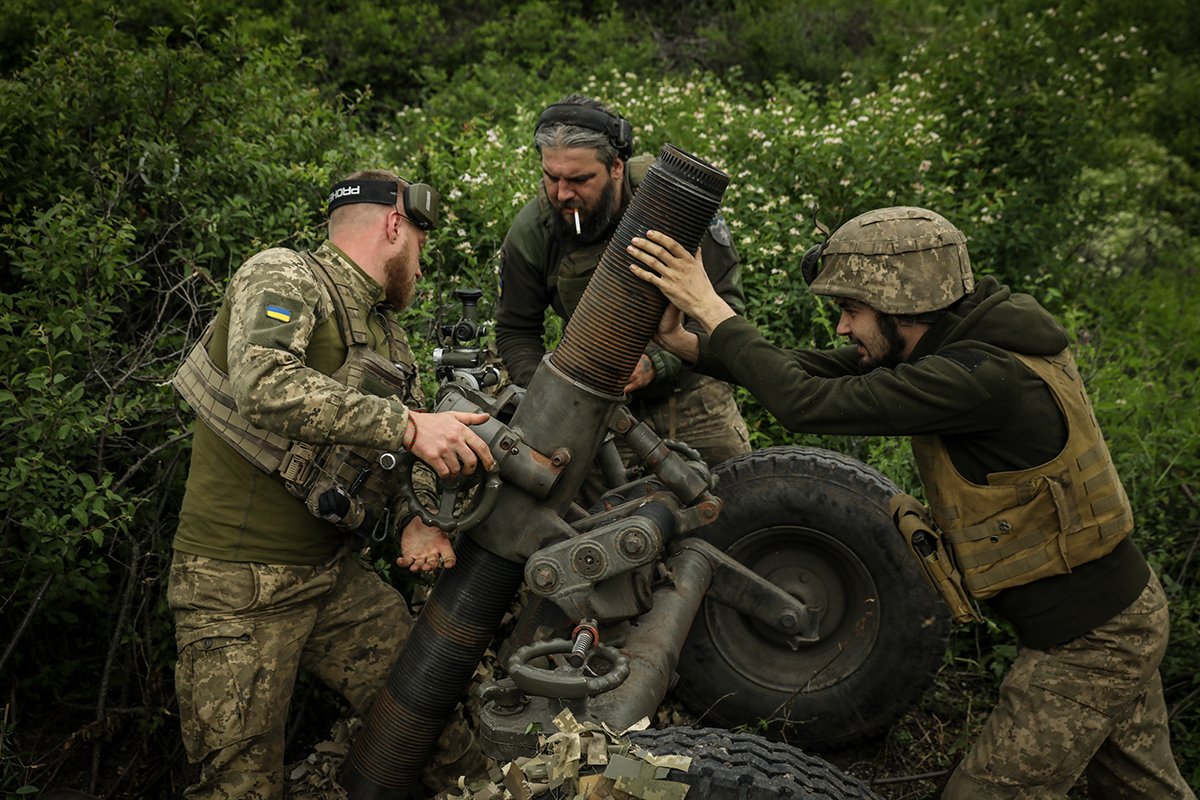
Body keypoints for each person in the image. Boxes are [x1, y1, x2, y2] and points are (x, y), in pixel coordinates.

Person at [627, 206, 1195, 799]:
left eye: (851, 310)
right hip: (1112, 617)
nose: (843, 328)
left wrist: (715, 310)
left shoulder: (981, 378)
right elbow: (815, 375)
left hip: (1091, 641)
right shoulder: (964, 344)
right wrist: (690, 345)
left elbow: (805, 403)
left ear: (901, 306)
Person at [168, 169, 496, 799]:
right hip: (236, 587)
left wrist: (416, 519)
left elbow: (390, 463)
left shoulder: (387, 336)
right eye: (422, 249)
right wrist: (407, 425)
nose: (422, 272)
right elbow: (263, 385)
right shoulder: (286, 274)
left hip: (331, 581)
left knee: (435, 727)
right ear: (395, 225)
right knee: (237, 786)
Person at [495, 94, 751, 479]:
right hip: (593, 413)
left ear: (616, 166)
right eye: (552, 177)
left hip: (694, 397)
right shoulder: (535, 230)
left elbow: (726, 313)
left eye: (580, 180)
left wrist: (653, 363)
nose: (563, 194)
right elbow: (517, 329)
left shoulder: (677, 206)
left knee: (731, 505)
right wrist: (549, 398)